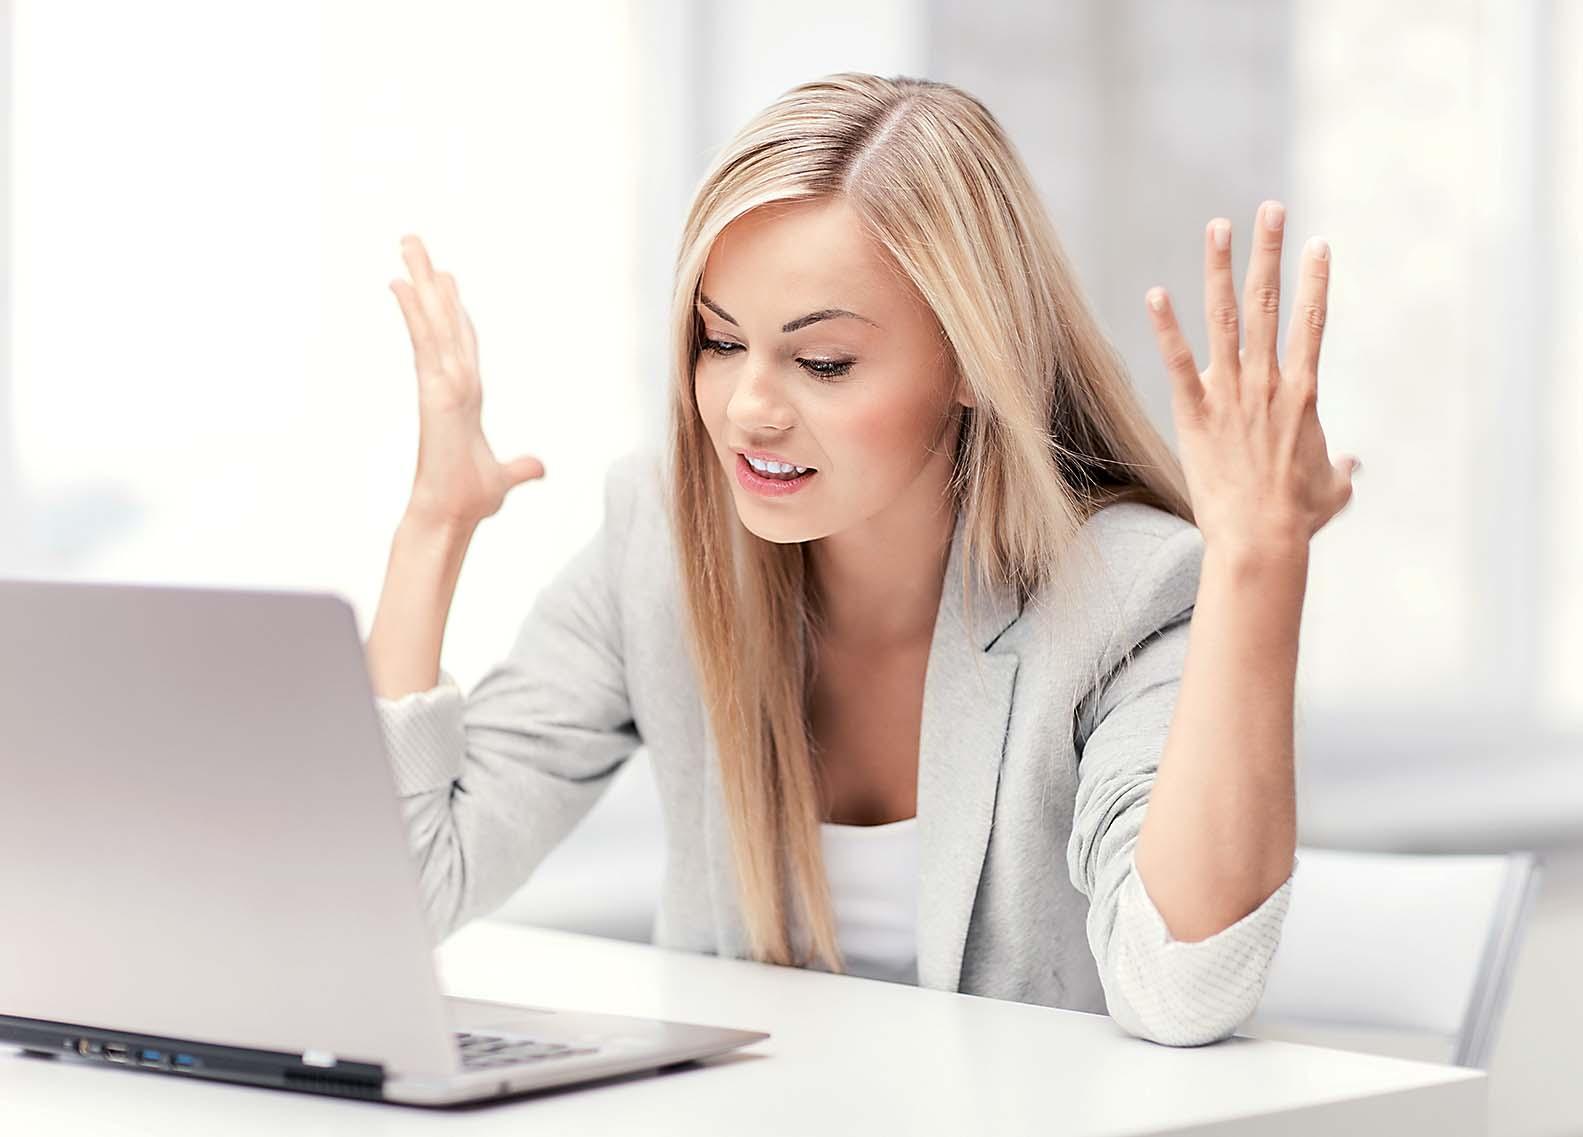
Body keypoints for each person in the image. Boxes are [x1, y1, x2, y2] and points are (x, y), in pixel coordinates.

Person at [365, 72, 1357, 1048]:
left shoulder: (1124, 592)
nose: (747, 409)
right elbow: (394, 895)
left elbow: (1180, 992)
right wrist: (431, 529)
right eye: (719, 342)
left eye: (822, 362)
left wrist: (1254, 561)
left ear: (973, 360)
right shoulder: (661, 543)